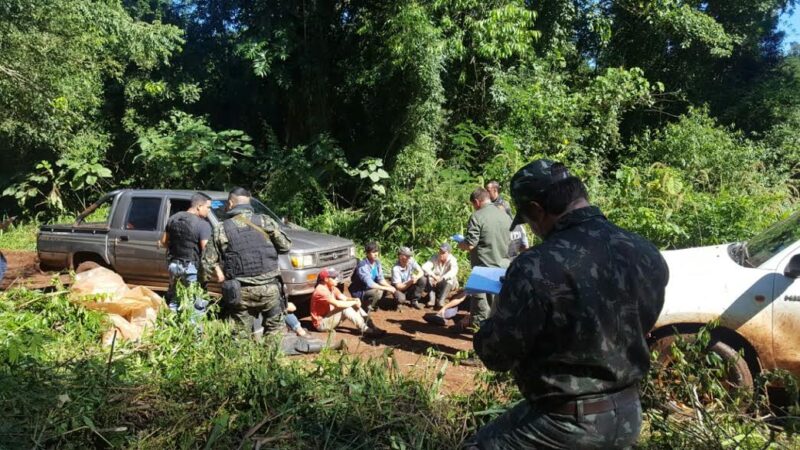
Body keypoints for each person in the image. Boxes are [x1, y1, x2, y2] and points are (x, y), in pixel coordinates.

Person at [467, 160, 669, 449]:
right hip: (629, 411)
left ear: (537, 209)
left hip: (565, 424)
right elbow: (642, 320)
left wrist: (502, 307)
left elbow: (496, 354)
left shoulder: (536, 266)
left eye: (529, 220)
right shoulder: (645, 251)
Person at [202, 187, 292, 339]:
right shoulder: (265, 221)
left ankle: (243, 361)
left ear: (231, 203)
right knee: (275, 331)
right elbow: (285, 246)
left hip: (240, 292)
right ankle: (271, 361)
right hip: (270, 288)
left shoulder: (221, 229)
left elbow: (207, 262)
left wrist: (202, 286)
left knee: (240, 336)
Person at [456, 187, 512, 330]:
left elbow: (470, 244)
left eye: (473, 205)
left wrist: (460, 244)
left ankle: (480, 341)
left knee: (481, 308)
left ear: (477, 202)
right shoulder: (505, 216)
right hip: (502, 267)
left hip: (483, 269)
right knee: (497, 307)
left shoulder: (477, 216)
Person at [159, 192, 212, 315]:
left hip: (174, 265)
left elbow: (163, 241)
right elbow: (206, 249)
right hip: (191, 267)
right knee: (196, 302)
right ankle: (194, 332)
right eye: (208, 207)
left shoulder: (174, 218)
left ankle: (171, 325)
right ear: (199, 206)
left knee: (175, 298)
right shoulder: (203, 225)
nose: (208, 211)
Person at [310, 268, 385, 337]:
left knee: (351, 304)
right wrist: (353, 303)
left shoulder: (331, 287)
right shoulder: (321, 290)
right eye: (333, 277)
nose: (336, 279)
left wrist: (354, 300)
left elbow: (344, 298)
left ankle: (372, 327)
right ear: (326, 279)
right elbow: (337, 304)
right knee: (345, 307)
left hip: (329, 318)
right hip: (321, 324)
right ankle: (365, 330)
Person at [348, 242, 396, 312]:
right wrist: (386, 288)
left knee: (388, 289)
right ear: (367, 253)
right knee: (379, 292)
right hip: (360, 290)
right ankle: (365, 304)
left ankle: (374, 303)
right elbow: (370, 284)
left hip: (369, 288)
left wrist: (390, 287)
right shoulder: (363, 266)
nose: (376, 254)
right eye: (373, 252)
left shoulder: (377, 262)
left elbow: (380, 279)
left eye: (376, 251)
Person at [487, 180, 529, 258]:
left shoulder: (503, 204)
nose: (486, 193)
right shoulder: (488, 204)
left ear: (495, 190)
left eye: (488, 190)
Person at [421, 243, 459, 309]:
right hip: (436, 281)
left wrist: (441, 278)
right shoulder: (435, 257)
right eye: (440, 251)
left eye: (443, 252)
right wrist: (434, 276)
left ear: (448, 253)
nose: (441, 254)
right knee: (429, 276)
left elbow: (453, 272)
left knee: (450, 278)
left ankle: (441, 301)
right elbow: (425, 267)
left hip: (447, 283)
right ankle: (432, 300)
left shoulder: (452, 260)